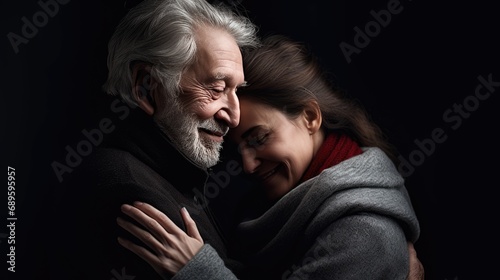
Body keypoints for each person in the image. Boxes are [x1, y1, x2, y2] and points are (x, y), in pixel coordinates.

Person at [115, 35, 423, 279]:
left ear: (310, 117)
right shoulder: (282, 205)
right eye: (238, 149)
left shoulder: (364, 234)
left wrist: (197, 271)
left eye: (259, 138)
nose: (248, 165)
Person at [51, 0, 259, 279]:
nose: (234, 117)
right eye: (217, 89)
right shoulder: (129, 190)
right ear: (147, 87)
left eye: (236, 91)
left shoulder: (167, 172)